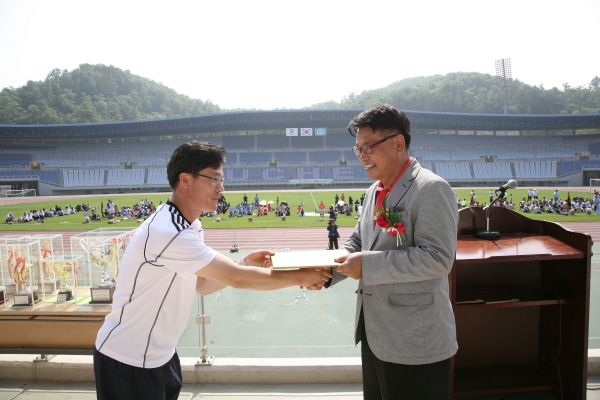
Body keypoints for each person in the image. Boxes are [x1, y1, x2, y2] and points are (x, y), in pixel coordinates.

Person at [93, 141, 331, 400]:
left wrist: (242, 264)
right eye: (214, 179)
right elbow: (237, 280)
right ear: (185, 180)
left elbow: (202, 285)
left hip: (160, 354)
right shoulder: (168, 231)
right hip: (128, 359)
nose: (221, 188)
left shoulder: (189, 225)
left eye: (221, 179)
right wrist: (303, 276)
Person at [325, 105, 458, 399]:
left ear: (398, 143)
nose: (362, 156)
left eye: (368, 147)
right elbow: (359, 243)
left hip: (415, 341)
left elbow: (437, 258)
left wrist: (367, 268)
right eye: (357, 149)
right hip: (376, 332)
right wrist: (324, 270)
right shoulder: (374, 190)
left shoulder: (431, 188)